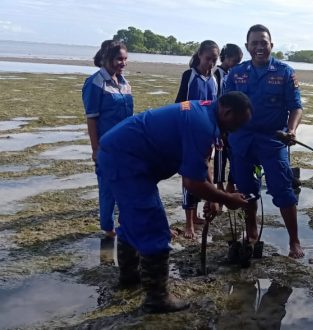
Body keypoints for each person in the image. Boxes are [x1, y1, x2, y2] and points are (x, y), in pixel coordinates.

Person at [96, 92, 252, 313]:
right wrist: (228, 199)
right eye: (237, 124)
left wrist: (213, 196)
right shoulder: (202, 124)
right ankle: (156, 299)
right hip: (126, 162)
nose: (236, 130)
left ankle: (130, 277)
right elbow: (192, 183)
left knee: (133, 220)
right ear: (227, 112)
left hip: (120, 154)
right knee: (154, 229)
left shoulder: (206, 112)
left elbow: (202, 160)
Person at [224, 24, 304, 258]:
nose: (259, 47)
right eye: (254, 43)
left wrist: (291, 130)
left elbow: (296, 107)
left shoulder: (285, 72)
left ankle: (294, 241)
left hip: (273, 139)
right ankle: (251, 232)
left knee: (283, 190)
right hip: (241, 140)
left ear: (271, 45)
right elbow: (224, 107)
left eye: (264, 43)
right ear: (247, 46)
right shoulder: (235, 73)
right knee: (247, 190)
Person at [82, 40, 133, 238]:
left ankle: (126, 224)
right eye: (119, 59)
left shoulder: (124, 83)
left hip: (126, 146)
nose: (123, 63)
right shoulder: (95, 83)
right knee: (108, 188)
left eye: (125, 59)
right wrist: (95, 149)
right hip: (107, 146)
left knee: (127, 185)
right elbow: (92, 119)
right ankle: (108, 230)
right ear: (107, 59)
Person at [174, 40, 220, 239]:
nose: (210, 63)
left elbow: (218, 106)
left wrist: (217, 133)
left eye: (214, 59)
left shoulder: (216, 77)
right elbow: (180, 103)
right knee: (189, 175)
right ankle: (188, 222)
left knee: (204, 172)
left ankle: (197, 213)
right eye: (208, 58)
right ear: (199, 55)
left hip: (208, 133)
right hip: (189, 133)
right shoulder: (189, 75)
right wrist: (189, 116)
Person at [212, 44, 244, 201]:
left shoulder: (234, 74)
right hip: (220, 117)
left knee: (234, 152)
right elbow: (216, 95)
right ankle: (219, 185)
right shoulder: (217, 73)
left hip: (231, 119)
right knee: (220, 153)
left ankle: (232, 182)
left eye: (239, 61)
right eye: (235, 61)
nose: (237, 64)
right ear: (226, 58)